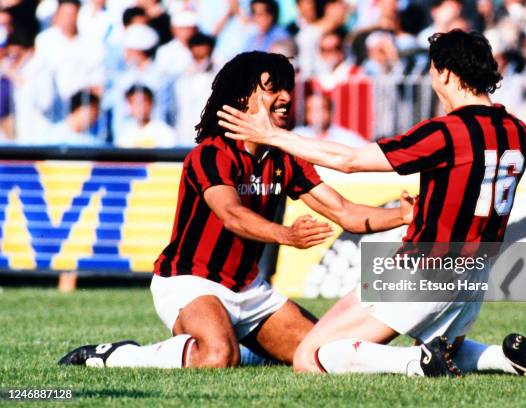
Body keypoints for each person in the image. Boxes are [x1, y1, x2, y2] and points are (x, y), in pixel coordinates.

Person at [217, 30, 526, 378]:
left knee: (310, 357)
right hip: (474, 272)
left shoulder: (447, 131)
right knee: (447, 351)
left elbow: (350, 161)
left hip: (427, 266)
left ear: (447, 74)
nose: (433, 81)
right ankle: (504, 358)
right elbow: (471, 184)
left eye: (434, 72)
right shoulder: (517, 130)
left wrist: (271, 135)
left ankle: (415, 365)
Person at [58, 51, 416, 369]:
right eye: (273, 88)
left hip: (249, 289)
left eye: (287, 88)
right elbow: (231, 215)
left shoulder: (283, 158)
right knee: (215, 356)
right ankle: (117, 356)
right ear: (244, 97)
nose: (287, 97)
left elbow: (347, 213)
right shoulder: (211, 154)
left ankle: (243, 346)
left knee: (321, 353)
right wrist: (287, 235)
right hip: (189, 282)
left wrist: (402, 216)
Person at [293, 93, 366, 147]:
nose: (317, 114)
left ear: (330, 112)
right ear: (306, 115)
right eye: (312, 110)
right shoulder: (297, 135)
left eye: (321, 109)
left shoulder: (347, 138)